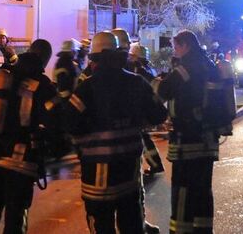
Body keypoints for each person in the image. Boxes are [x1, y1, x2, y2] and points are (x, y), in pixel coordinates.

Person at [65, 31, 167, 234]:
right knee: (132, 225)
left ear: (95, 59)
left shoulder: (88, 87)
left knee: (102, 226)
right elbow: (159, 114)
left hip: (97, 176)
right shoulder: (137, 82)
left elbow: (68, 122)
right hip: (129, 172)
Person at [0, 39, 58, 234]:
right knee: (15, 217)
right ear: (45, 59)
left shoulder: (1, 75)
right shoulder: (44, 85)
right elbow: (55, 122)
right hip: (21, 163)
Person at [154, 30, 221, 234]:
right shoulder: (210, 65)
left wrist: (153, 80)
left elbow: (163, 91)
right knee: (202, 190)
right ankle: (203, 230)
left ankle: (180, 231)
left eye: (176, 47)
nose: (175, 51)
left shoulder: (184, 68)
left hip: (187, 140)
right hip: (209, 140)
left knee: (182, 190)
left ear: (185, 45)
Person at [129, 43, 165, 178]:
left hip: (141, 110)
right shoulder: (149, 69)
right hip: (148, 109)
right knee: (144, 138)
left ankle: (155, 165)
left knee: (143, 139)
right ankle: (155, 164)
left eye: (132, 55)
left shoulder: (139, 70)